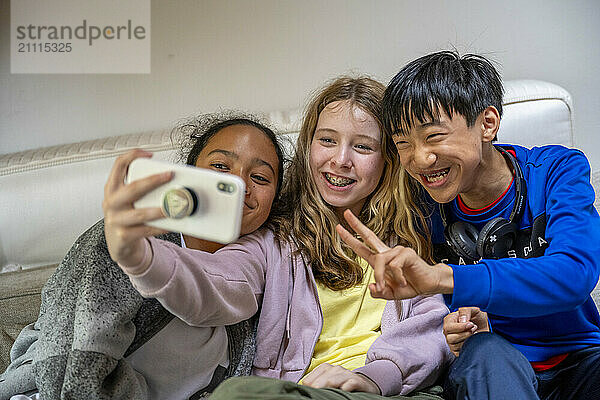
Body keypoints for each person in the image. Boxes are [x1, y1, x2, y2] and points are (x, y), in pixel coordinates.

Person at [106, 76, 453, 399]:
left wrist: (375, 376)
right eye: (328, 140)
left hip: (390, 392)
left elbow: (431, 327)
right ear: (308, 147)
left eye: (362, 147)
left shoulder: (406, 240)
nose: (341, 160)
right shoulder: (273, 242)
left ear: (387, 161)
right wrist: (140, 257)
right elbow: (217, 282)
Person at [338, 51, 600, 400]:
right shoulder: (419, 205)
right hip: (490, 363)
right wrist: (452, 322)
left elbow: (575, 273)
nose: (419, 159)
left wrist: (445, 278)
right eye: (403, 143)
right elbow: (428, 316)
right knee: (486, 352)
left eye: (433, 136)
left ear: (487, 124)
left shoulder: (556, 170)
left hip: (581, 359)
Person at [0, 113, 286, 400]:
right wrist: (134, 256)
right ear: (190, 173)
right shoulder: (127, 237)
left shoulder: (261, 270)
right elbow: (69, 358)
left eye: (259, 177)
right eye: (221, 166)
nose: (240, 184)